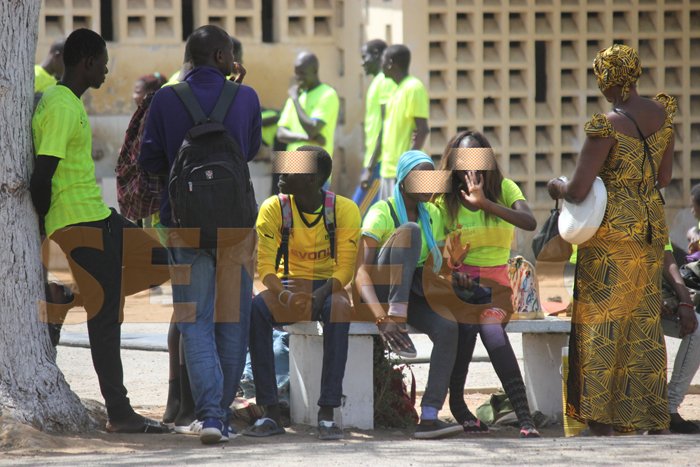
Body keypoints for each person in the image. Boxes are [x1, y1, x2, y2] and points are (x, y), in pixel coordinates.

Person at [30, 28, 166, 434]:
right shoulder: (61, 106)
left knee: (169, 260)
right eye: (104, 61)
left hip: (96, 218)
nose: (107, 69)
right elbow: (43, 176)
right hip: (83, 224)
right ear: (87, 62)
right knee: (106, 321)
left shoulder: (62, 101)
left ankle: (77, 297)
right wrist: (44, 234)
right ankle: (121, 414)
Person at [139, 24, 262, 444]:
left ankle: (208, 415)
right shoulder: (245, 97)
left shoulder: (165, 99)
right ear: (223, 58)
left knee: (195, 322)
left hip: (185, 226)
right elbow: (248, 151)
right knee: (233, 321)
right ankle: (220, 416)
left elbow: (149, 159)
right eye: (229, 55)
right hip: (236, 228)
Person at [547, 44, 676, 435]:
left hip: (611, 237)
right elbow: (665, 178)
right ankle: (646, 415)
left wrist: (557, 186)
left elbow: (577, 188)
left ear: (608, 79)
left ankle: (602, 419)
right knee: (642, 322)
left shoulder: (606, 125)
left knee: (602, 325)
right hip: (650, 231)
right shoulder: (663, 116)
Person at [243, 147, 360, 440]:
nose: (281, 174)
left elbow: (346, 269)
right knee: (257, 309)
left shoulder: (344, 209)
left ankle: (327, 413)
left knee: (339, 309)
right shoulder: (273, 208)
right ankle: (270, 411)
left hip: (327, 286)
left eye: (290, 170)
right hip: (285, 285)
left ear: (311, 178)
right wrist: (282, 295)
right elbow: (265, 267)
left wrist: (319, 294)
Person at [435, 130, 541, 438]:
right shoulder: (446, 199)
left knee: (491, 329)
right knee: (467, 326)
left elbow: (529, 222)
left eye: (478, 158)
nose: (471, 166)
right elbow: (435, 252)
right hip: (459, 288)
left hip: (496, 289)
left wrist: (485, 204)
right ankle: (458, 406)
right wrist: (452, 273)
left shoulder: (504, 189)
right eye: (463, 159)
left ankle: (524, 417)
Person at [354, 150, 463, 439]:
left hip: (409, 290)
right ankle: (397, 316)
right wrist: (383, 318)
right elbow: (361, 273)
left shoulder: (432, 215)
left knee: (448, 328)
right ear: (403, 182)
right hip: (378, 294)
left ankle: (428, 416)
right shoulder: (382, 211)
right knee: (410, 232)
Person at [377, 45, 429, 200]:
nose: (381, 65)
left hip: (401, 173)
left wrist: (407, 167)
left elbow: (423, 130)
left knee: (404, 223)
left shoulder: (414, 87)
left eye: (383, 61)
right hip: (387, 170)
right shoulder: (396, 89)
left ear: (390, 63)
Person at [352, 39, 397, 216]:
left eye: (365, 57)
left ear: (377, 55)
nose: (362, 62)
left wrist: (370, 168)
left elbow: (385, 126)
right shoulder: (378, 82)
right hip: (375, 161)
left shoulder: (384, 82)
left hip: (379, 163)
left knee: (354, 217)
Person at [276, 52, 339, 159]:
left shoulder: (327, 94)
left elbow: (312, 129)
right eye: (296, 73)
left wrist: (295, 100)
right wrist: (306, 138)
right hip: (291, 162)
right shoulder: (295, 96)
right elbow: (280, 133)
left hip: (316, 163)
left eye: (302, 73)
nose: (298, 77)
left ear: (315, 71)